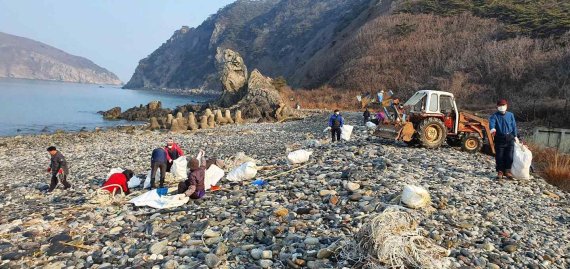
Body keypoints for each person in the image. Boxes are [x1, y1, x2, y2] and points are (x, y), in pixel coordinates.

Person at [490, 99, 519, 180]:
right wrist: (492, 129)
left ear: (506, 106)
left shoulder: (511, 115)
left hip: (510, 137)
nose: (502, 107)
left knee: (509, 156)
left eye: (503, 105)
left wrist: (515, 136)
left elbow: (514, 126)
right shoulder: (494, 116)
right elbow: (492, 123)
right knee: (499, 156)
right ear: (497, 107)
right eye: (500, 106)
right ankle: (500, 171)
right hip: (499, 138)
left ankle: (508, 171)